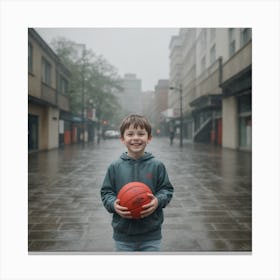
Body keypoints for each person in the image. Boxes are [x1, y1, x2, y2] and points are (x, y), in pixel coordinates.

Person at [100, 114, 174, 252]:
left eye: (141, 134)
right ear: (122, 139)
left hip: (151, 235)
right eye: (130, 134)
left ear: (149, 138)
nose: (135, 138)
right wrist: (113, 204)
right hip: (123, 235)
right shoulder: (115, 167)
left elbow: (166, 190)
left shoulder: (157, 165)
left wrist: (158, 201)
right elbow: (106, 192)